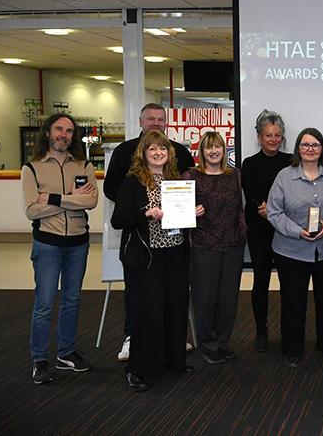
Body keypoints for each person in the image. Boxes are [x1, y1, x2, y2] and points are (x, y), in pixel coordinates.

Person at [103, 102, 194, 362]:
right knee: (143, 303)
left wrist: (190, 209)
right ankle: (135, 346)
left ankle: (172, 350)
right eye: (150, 118)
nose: (156, 123)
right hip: (144, 249)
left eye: (160, 119)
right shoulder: (127, 161)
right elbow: (114, 200)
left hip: (174, 249)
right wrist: (139, 208)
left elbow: (190, 188)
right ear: (141, 122)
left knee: (173, 301)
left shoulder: (178, 162)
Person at [22, 113, 98, 384]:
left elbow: (90, 202)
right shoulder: (32, 168)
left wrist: (52, 198)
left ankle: (66, 353)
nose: (63, 135)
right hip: (47, 244)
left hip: (78, 243)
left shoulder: (84, 165)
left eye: (68, 131)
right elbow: (32, 210)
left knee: (72, 300)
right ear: (47, 132)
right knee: (44, 303)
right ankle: (39, 359)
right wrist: (70, 199)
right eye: (59, 129)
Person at [267, 127, 323, 368]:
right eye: (305, 145)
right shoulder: (284, 177)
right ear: (298, 149)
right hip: (291, 250)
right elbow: (274, 212)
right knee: (293, 300)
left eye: (315, 145)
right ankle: (292, 348)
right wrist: (297, 231)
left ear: (322, 149)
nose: (310, 149)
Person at [183, 131, 246, 365]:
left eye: (217, 146)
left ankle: (222, 343)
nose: (213, 151)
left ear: (224, 149)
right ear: (202, 151)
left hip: (233, 245)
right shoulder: (191, 176)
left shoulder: (234, 175)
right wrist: (190, 212)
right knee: (205, 298)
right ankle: (208, 345)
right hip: (203, 245)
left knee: (228, 299)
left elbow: (240, 207)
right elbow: (177, 209)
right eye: (208, 147)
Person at [241, 110, 292, 352]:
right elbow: (251, 195)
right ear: (259, 137)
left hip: (286, 230)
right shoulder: (250, 163)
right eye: (268, 135)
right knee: (260, 281)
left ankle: (288, 333)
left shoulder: (291, 161)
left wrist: (276, 213)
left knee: (289, 283)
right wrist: (270, 211)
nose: (273, 139)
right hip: (259, 229)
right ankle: (261, 332)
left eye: (277, 135)